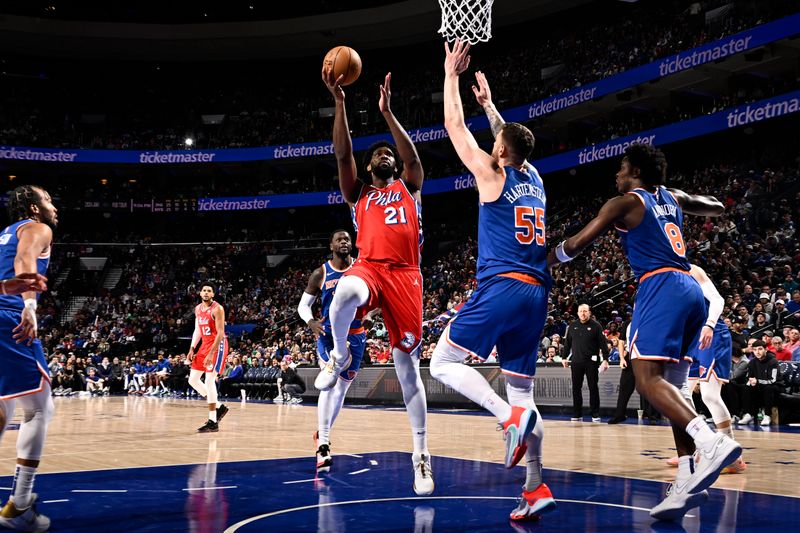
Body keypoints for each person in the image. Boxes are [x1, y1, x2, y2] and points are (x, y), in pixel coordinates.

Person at [548, 143, 740, 521]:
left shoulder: (623, 203)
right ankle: (686, 477)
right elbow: (715, 205)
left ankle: (710, 441)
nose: (616, 175)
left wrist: (544, 261)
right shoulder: (672, 196)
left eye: (620, 168)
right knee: (672, 386)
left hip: (661, 286)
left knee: (645, 377)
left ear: (635, 171)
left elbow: (577, 244)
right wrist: (699, 205)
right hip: (690, 289)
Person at [431, 43, 555, 522]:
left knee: (442, 361)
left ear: (500, 151)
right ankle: (535, 485)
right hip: (537, 293)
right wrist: (489, 105)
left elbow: (453, 128)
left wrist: (449, 76)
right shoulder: (536, 177)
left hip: (502, 284)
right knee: (524, 392)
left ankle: (507, 418)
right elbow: (510, 140)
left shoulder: (490, 172)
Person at [318, 64, 432, 495]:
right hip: (370, 268)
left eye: (389, 154)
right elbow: (343, 154)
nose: (384, 154)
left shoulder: (410, 186)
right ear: (368, 169)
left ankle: (420, 456)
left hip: (406, 276)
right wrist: (340, 103)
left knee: (409, 374)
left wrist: (386, 113)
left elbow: (412, 158)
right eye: (377, 154)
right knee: (344, 288)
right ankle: (340, 356)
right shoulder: (359, 195)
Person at [0, 185, 58, 532]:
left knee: (3, 410)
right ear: (33, 209)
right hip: (7, 319)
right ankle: (19, 505)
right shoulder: (37, 229)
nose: (54, 206)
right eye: (48, 200)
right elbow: (25, 261)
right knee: (39, 408)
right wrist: (30, 306)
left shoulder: (1, 235)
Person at [297, 229, 367, 473]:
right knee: (329, 383)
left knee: (342, 390)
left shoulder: (363, 268)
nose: (344, 242)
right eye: (339, 239)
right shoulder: (321, 273)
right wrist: (311, 322)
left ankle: (321, 433)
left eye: (347, 238)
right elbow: (303, 306)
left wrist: (372, 313)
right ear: (331, 245)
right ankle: (324, 443)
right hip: (328, 336)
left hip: (357, 335)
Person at [666, 264, 746, 474]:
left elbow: (718, 300)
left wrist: (709, 324)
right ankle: (695, 449)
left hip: (712, 332)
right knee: (682, 395)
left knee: (710, 396)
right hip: (690, 337)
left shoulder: (692, 270)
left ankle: (732, 455)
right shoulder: (662, 277)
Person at [186, 284, 229, 433]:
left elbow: (220, 332)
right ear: (200, 293)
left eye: (209, 291)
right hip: (204, 344)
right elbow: (198, 329)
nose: (206, 292)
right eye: (204, 290)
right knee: (193, 380)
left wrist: (211, 353)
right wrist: (192, 348)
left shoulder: (218, 309)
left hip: (218, 345)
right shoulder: (198, 309)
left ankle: (213, 421)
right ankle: (219, 406)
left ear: (213, 294)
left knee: (210, 380)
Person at [562, 304, 610, 422]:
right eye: (580, 311)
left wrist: (605, 359)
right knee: (576, 388)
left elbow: (603, 344)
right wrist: (563, 357)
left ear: (589, 312)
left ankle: (595, 413)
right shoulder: (572, 326)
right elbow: (567, 344)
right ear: (577, 313)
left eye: (585, 311)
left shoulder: (596, 326)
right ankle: (577, 413)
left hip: (591, 362)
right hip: (576, 362)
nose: (582, 313)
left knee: (593, 387)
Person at [737, 340, 783, 426]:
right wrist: (751, 382)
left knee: (768, 388)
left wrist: (757, 381)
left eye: (760, 349)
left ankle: (767, 415)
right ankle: (749, 414)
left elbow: (773, 380)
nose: (757, 352)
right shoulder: (752, 362)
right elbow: (750, 377)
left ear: (766, 349)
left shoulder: (773, 361)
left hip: (775, 386)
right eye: (755, 350)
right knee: (746, 387)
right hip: (760, 385)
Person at [608, 324, 635, 424]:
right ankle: (620, 415)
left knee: (647, 388)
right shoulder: (628, 323)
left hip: (644, 356)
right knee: (624, 387)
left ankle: (652, 416)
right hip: (629, 356)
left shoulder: (648, 318)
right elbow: (621, 342)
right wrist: (622, 358)